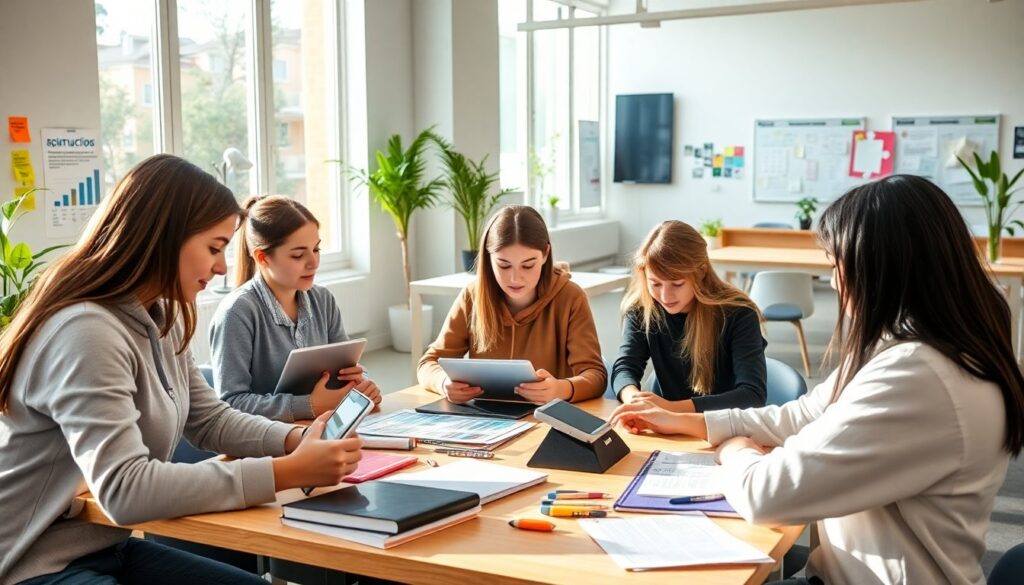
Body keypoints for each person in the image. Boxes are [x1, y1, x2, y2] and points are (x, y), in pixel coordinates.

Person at [611, 175, 1024, 585]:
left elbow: (766, 495)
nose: (833, 282)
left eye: (836, 265)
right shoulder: (911, 347)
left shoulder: (918, 376)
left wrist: (734, 449)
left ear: (881, 269)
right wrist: (696, 422)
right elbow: (807, 412)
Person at [0, 155, 363, 585]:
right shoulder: (86, 332)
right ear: (162, 238)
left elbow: (208, 419)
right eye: (214, 248)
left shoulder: (163, 317)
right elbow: (125, 490)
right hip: (31, 565)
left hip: (103, 544)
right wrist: (286, 471)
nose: (223, 267)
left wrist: (294, 439)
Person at [210, 195, 381, 423]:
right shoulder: (237, 312)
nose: (313, 262)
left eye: (317, 249)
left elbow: (345, 370)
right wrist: (309, 405)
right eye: (298, 255)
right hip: (269, 447)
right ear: (263, 257)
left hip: (321, 430)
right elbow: (231, 403)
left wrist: (361, 386)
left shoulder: (323, 300)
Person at [418, 205, 606, 404]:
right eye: (504, 265)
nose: (515, 277)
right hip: (485, 420)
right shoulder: (472, 296)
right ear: (488, 257)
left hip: (544, 419)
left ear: (545, 254)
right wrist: (444, 382)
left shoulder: (571, 298)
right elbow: (427, 363)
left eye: (528, 265)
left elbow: (596, 376)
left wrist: (560, 389)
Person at [611, 220, 766, 412]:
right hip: (671, 428)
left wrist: (670, 409)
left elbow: (752, 396)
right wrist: (633, 398)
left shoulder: (738, 314)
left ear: (701, 272)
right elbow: (625, 367)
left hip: (725, 427)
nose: (665, 296)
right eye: (655, 284)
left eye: (677, 284)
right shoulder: (641, 309)